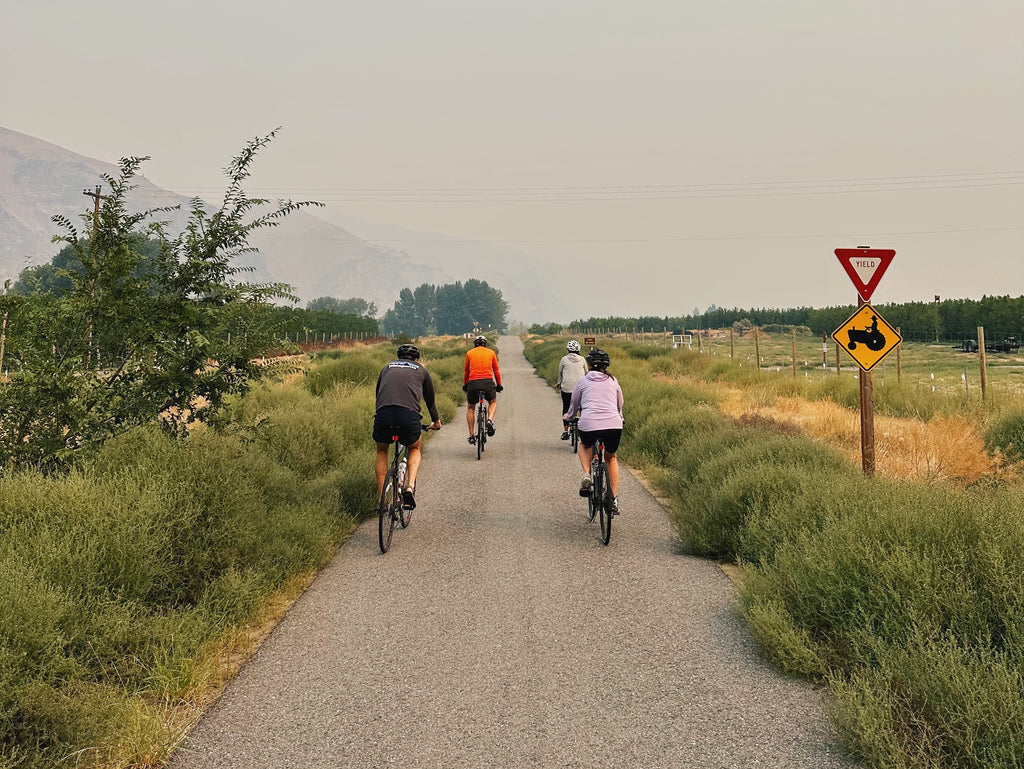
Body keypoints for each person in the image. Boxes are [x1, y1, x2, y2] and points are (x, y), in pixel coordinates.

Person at [373, 343, 442, 510]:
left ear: (398, 357)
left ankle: (382, 498)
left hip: (384, 413)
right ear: (416, 358)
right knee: (414, 448)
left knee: (382, 450)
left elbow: (378, 394)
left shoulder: (387, 367)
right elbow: (430, 400)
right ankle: (409, 487)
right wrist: (436, 422)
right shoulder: (421, 370)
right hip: (408, 415)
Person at [563, 348, 624, 514]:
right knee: (611, 458)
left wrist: (568, 418)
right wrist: (620, 418)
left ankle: (586, 474)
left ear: (588, 365)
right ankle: (613, 499)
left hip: (589, 423)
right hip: (613, 424)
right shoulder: (613, 381)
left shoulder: (582, 382)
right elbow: (619, 404)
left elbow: (574, 405)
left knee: (584, 445)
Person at [463, 334, 502, 444]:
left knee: (471, 407)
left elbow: (466, 371)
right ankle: (489, 420)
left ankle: (471, 435)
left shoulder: (469, 353)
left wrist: (466, 384)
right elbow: (496, 371)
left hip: (473, 382)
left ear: (475, 344)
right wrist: (499, 385)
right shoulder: (491, 353)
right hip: (487, 382)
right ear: (485, 344)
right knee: (492, 402)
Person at [556, 339, 587, 440]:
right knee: (583, 408)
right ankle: (583, 429)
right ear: (578, 350)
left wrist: (559, 383)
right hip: (581, 389)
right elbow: (587, 373)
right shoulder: (582, 360)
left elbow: (560, 373)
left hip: (567, 388)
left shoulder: (564, 359)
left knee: (566, 407)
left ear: (568, 349)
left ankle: (566, 431)